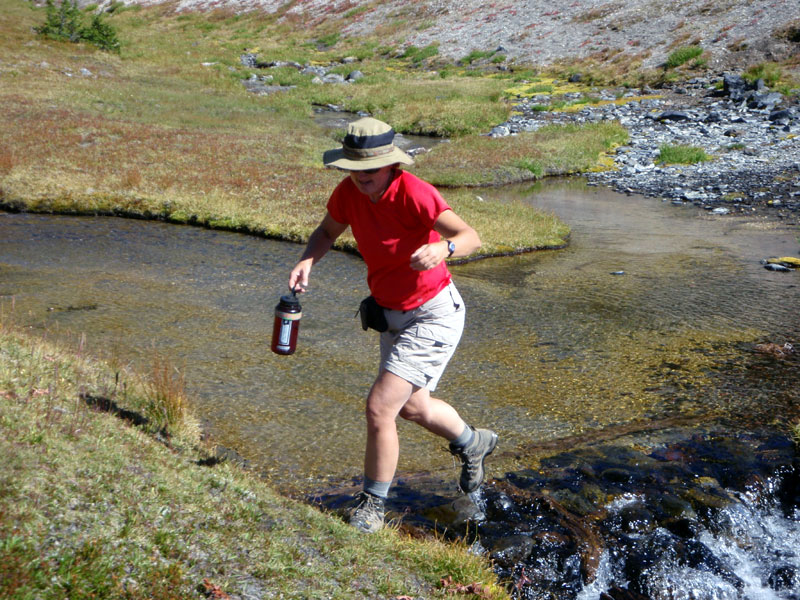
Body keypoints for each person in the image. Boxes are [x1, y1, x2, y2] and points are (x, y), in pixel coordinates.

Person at [288, 117, 498, 533]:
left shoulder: (416, 193)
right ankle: (473, 442)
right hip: (392, 314)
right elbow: (327, 232)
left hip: (433, 313)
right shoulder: (349, 193)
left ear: (391, 165)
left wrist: (444, 248)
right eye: (355, 167)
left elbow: (471, 235)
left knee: (379, 407)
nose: (362, 176)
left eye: (371, 168)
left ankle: (371, 507)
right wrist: (307, 259)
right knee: (413, 408)